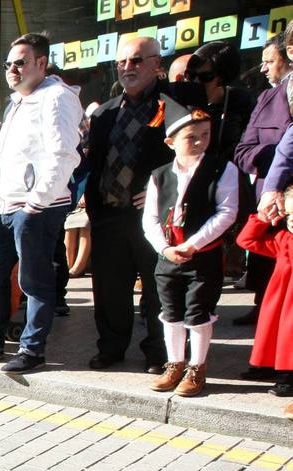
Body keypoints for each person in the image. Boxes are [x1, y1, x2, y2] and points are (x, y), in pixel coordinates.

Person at [0, 32, 83, 373]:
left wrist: (36, 203)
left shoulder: (56, 98)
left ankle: (32, 350)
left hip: (36, 208)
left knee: (34, 281)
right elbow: (8, 162)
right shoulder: (18, 101)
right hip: (7, 207)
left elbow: (64, 155)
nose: (12, 69)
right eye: (9, 64)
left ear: (41, 62)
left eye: (20, 62)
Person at [85, 35, 188, 373]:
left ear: (157, 64)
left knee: (157, 289)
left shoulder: (173, 108)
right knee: (110, 289)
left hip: (153, 218)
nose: (128, 67)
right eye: (122, 62)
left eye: (137, 60)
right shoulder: (103, 113)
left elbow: (190, 158)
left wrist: (162, 188)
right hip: (109, 214)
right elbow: (94, 163)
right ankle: (111, 348)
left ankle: (158, 354)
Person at [143, 109, 238, 397]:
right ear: (170, 142)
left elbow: (227, 212)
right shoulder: (159, 175)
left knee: (198, 311)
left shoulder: (223, 169)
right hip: (168, 256)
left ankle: (197, 368)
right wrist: (164, 247)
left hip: (202, 256)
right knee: (170, 311)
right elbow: (150, 218)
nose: (200, 142)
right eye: (191, 137)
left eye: (205, 135)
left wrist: (193, 244)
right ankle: (175, 363)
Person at [232, 31, 292, 329]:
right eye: (263, 61)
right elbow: (243, 150)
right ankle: (263, 312)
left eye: (270, 61)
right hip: (268, 200)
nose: (264, 68)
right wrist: (277, 158)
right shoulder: (265, 98)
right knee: (267, 265)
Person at [238, 187, 293, 413]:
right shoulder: (283, 238)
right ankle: (270, 366)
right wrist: (261, 218)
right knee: (273, 335)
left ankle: (288, 375)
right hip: (279, 300)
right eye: (290, 215)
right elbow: (246, 241)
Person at [184, 43, 254, 165]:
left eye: (205, 77)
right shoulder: (179, 100)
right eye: (190, 75)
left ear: (222, 78)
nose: (195, 81)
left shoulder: (240, 102)